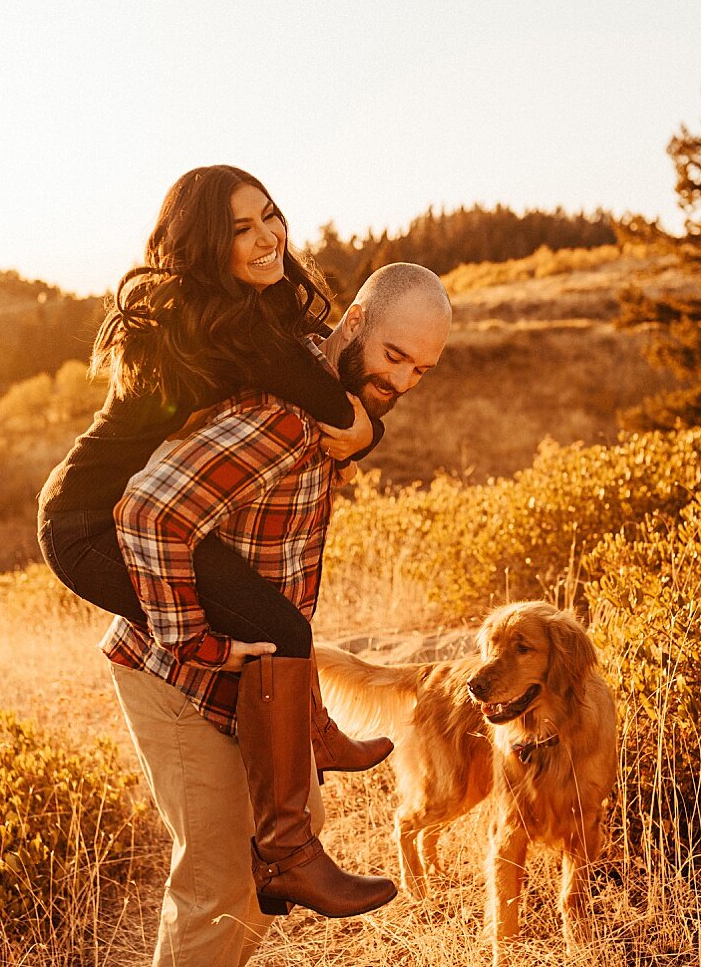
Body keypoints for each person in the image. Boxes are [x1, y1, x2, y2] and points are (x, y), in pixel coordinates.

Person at [107, 261, 451, 965]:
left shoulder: (330, 398)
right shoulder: (283, 416)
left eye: (421, 369)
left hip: (250, 674)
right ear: (354, 321)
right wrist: (192, 642)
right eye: (394, 356)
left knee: (291, 834)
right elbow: (144, 512)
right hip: (177, 671)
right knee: (217, 881)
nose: (402, 382)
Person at [38, 166, 393, 780]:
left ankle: (311, 747)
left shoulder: (248, 312)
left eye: (270, 216)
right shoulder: (222, 323)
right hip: (87, 526)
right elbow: (334, 406)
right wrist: (369, 432)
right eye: (241, 229)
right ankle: (296, 821)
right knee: (275, 628)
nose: (268, 237)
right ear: (206, 245)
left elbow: (321, 386)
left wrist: (365, 430)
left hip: (128, 512)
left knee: (274, 615)